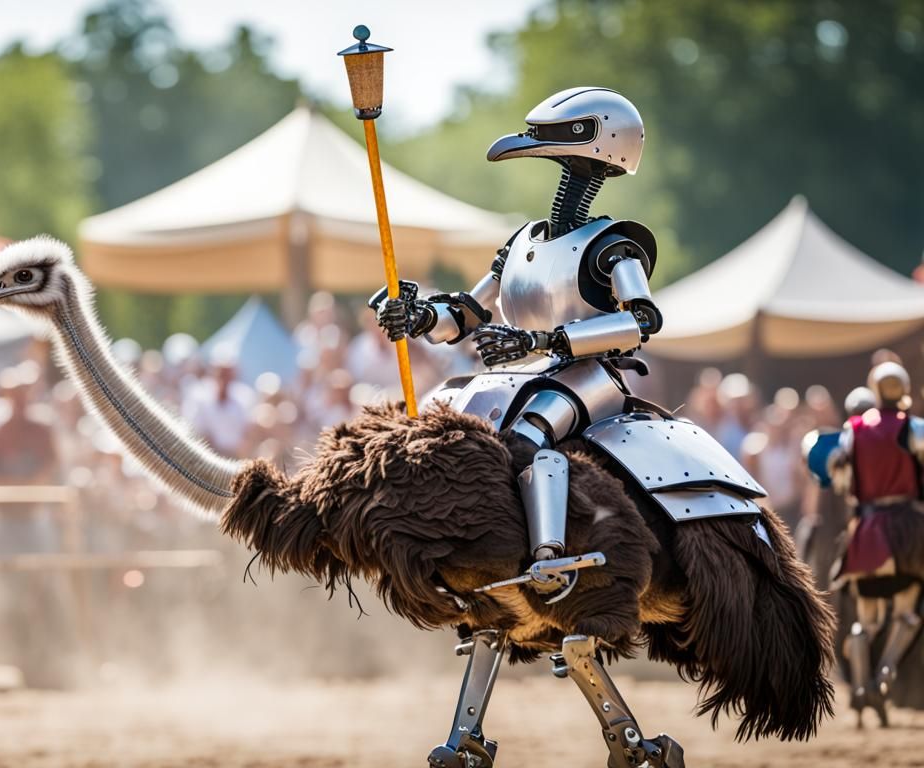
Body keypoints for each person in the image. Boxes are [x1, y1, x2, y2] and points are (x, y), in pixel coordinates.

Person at [370, 87, 771, 761]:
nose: (531, 146)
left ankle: (550, 561)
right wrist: (419, 318)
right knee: (445, 443)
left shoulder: (614, 246)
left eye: (551, 136)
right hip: (516, 375)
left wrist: (550, 345)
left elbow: (643, 321)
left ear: (596, 143)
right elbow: (468, 313)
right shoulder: (522, 242)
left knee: (524, 441)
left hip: (587, 377)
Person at [819, 361, 924, 726]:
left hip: (866, 530)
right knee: (907, 614)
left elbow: (842, 478)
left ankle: (861, 688)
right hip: (908, 531)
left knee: (866, 621)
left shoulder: (854, 430)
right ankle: (885, 672)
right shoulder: (915, 428)